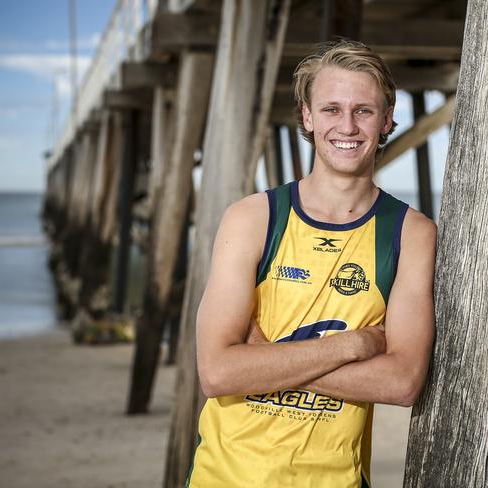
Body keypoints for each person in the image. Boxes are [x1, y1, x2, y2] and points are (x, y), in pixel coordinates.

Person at [187, 40, 436, 487]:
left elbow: (401, 382)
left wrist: (266, 362)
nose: (347, 125)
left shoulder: (411, 233)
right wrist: (352, 347)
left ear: (387, 119)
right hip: (225, 478)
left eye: (363, 110)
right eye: (330, 109)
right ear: (306, 116)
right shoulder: (252, 218)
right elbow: (218, 372)